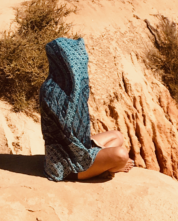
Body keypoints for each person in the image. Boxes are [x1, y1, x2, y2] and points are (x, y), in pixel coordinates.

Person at [39, 37, 134, 181]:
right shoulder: (52, 92)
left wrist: (92, 151)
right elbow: (67, 136)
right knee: (121, 155)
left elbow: (79, 136)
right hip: (65, 163)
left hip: (79, 149)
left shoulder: (73, 87)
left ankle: (102, 166)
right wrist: (95, 156)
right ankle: (106, 169)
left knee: (117, 136)